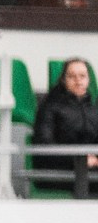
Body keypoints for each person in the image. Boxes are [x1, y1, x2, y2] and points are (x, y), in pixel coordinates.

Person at [29, 57, 98, 196]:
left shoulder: (94, 110)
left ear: (88, 80)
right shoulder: (49, 107)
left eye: (82, 76)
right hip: (60, 170)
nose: (78, 80)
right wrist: (79, 160)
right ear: (64, 79)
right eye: (72, 76)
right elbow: (44, 144)